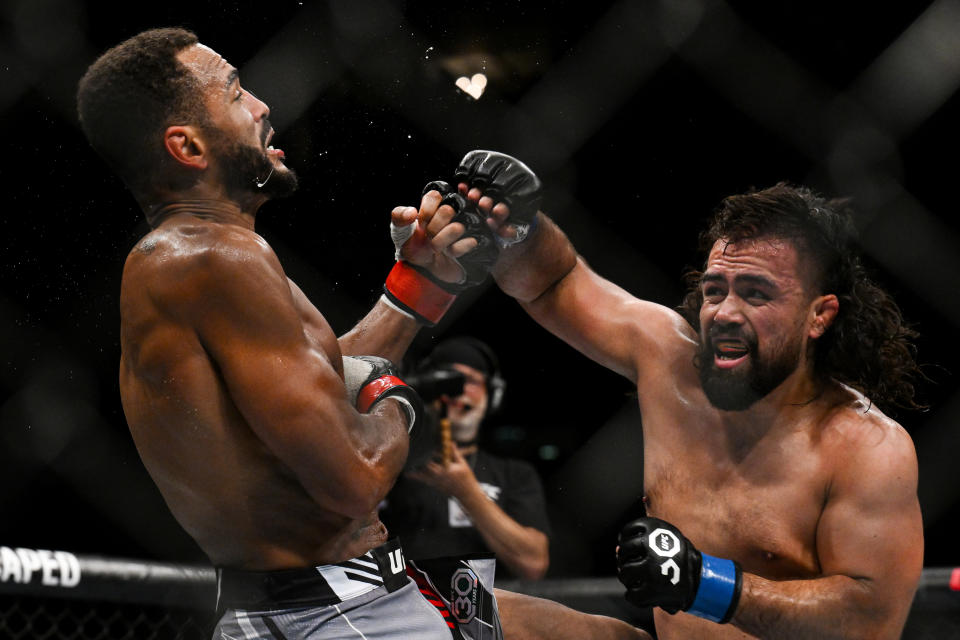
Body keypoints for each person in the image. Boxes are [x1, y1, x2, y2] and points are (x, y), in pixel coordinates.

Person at [76, 30, 649, 640]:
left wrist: (423, 281)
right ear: (187, 146)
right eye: (236, 92)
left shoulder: (200, 257)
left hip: (353, 594)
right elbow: (356, 477)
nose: (263, 106)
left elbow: (318, 384)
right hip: (333, 614)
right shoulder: (209, 258)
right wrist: (395, 396)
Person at [414, 151, 925, 639]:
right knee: (464, 608)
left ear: (820, 315)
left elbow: (869, 622)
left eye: (756, 293)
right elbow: (558, 281)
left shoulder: (866, 447)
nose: (724, 312)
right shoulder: (668, 361)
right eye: (715, 289)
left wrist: (708, 586)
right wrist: (514, 229)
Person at [381, 337, 551, 580]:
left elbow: (533, 564)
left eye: (470, 381)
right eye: (446, 379)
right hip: (403, 607)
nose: (456, 391)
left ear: (492, 395)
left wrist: (466, 491)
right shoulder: (390, 462)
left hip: (488, 610)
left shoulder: (514, 474)